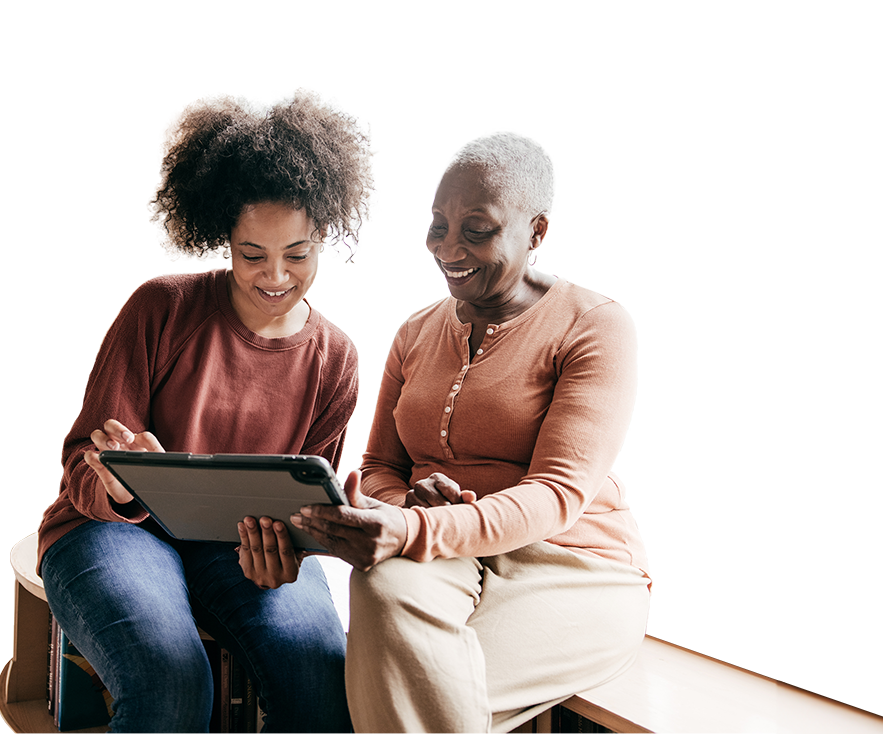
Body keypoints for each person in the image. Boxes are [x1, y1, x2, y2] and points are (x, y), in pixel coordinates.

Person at [293, 131, 651, 734]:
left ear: (535, 232)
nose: (448, 247)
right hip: (449, 555)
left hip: (570, 564)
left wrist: (421, 524)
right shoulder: (414, 332)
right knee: (380, 589)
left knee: (408, 689)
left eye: (476, 229)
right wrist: (407, 507)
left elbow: (559, 493)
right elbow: (381, 465)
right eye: (438, 225)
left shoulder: (594, 326)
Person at [37, 97, 374, 734]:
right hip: (113, 533)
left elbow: (307, 498)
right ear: (224, 237)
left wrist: (298, 545)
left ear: (324, 238)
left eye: (297, 255)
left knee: (323, 679)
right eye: (252, 254)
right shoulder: (160, 307)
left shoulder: (335, 358)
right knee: (170, 680)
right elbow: (83, 460)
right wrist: (115, 481)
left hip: (240, 547)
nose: (276, 276)